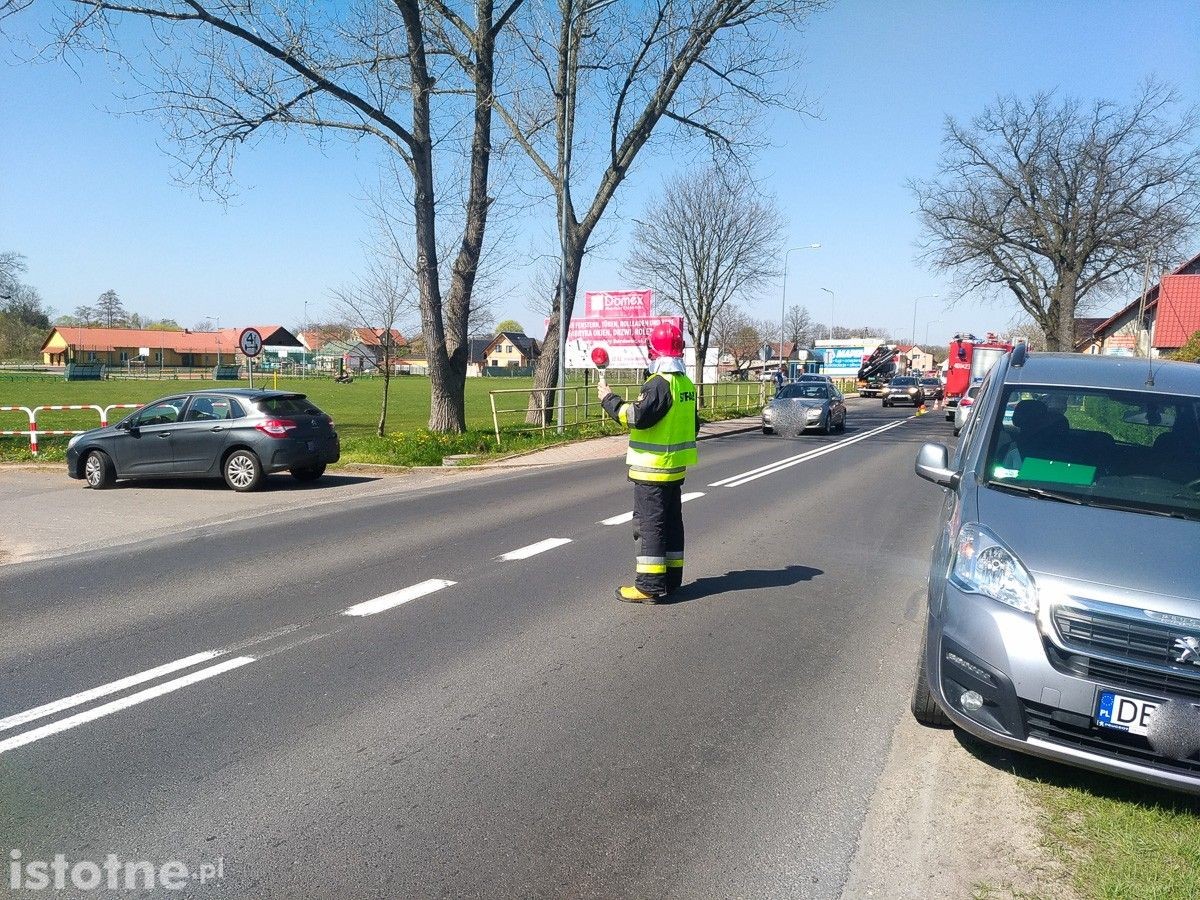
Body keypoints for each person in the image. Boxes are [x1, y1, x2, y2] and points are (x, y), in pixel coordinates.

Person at [598, 322, 698, 603]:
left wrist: (608, 400)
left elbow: (636, 417)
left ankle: (648, 586)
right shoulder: (685, 384)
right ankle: (671, 580)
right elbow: (695, 425)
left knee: (649, 526)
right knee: (672, 523)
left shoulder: (658, 383)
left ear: (653, 351)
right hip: (675, 469)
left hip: (652, 470)